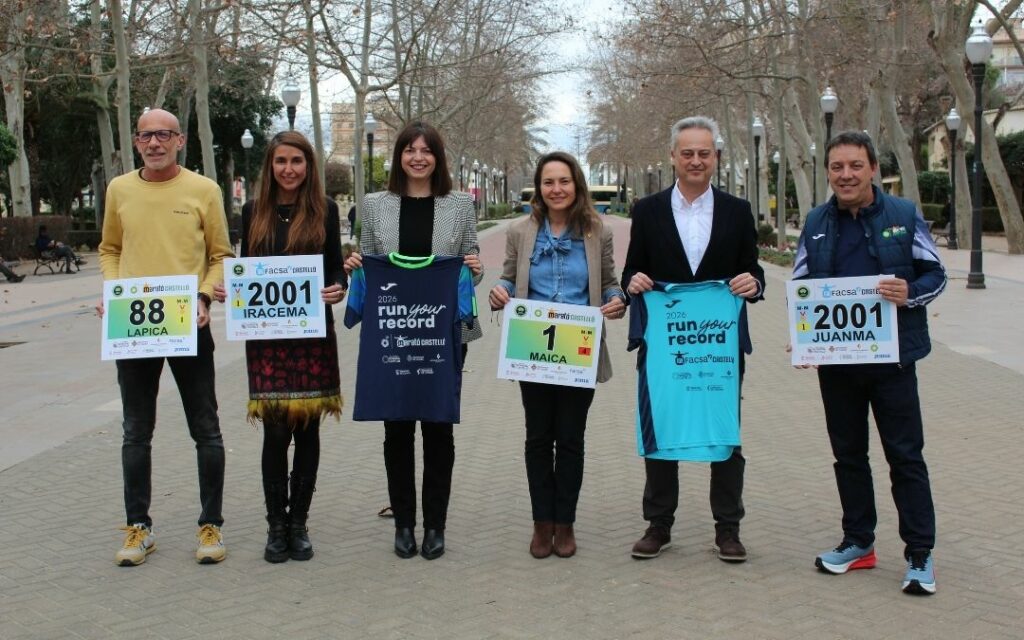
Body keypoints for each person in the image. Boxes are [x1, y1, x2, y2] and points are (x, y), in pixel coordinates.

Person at [793, 131, 945, 595]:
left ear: (873, 169)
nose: (846, 175)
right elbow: (801, 286)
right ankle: (858, 542)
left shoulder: (903, 214)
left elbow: (936, 272)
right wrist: (804, 337)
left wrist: (911, 293)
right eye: (837, 167)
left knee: (905, 456)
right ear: (828, 173)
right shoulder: (816, 221)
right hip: (838, 366)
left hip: (894, 362)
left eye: (855, 165)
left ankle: (920, 554)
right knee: (848, 456)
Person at [621, 116, 764, 563]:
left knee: (725, 430)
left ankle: (728, 528)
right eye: (688, 153)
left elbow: (754, 270)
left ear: (716, 157)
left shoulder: (738, 211)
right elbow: (630, 273)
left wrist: (752, 284)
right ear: (673, 157)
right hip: (664, 346)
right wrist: (634, 282)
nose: (696, 160)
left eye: (704, 153)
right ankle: (659, 524)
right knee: (662, 426)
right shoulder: (646, 211)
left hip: (718, 347)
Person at [99, 108, 234, 566]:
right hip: (134, 328)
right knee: (136, 432)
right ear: (136, 142)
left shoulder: (203, 190)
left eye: (163, 135)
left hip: (188, 324)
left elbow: (220, 254)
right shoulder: (119, 189)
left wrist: (202, 298)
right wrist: (112, 291)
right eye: (145, 136)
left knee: (206, 429)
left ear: (180, 141)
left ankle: (210, 525)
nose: (154, 143)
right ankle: (139, 528)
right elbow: (109, 249)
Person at [344, 121, 482, 560]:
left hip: (442, 334)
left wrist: (474, 267)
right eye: (410, 149)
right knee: (397, 429)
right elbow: (366, 258)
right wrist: (354, 265)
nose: (418, 157)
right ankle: (404, 523)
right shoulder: (375, 204)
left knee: (439, 429)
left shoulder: (459, 205)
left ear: (438, 157)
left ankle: (435, 525)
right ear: (398, 156)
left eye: (426, 150)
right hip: (392, 333)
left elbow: (472, 265)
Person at [214, 131, 345, 563]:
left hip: (311, 336)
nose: (289, 169)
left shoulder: (324, 210)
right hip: (268, 338)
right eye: (281, 161)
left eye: (297, 161)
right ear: (269, 167)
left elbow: (333, 272)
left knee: (307, 430)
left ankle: (299, 524)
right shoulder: (253, 211)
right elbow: (247, 272)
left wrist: (337, 289)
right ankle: (276, 524)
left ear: (309, 166)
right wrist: (227, 291)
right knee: (274, 432)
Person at [488, 151, 625, 559]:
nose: (557, 189)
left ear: (576, 185)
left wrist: (617, 301)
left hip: (578, 350)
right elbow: (509, 279)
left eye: (564, 181)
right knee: (537, 437)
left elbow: (610, 283)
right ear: (539, 188)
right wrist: (501, 293)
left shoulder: (598, 231)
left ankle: (565, 522)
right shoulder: (520, 231)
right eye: (549, 182)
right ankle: (540, 521)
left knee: (570, 439)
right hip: (532, 348)